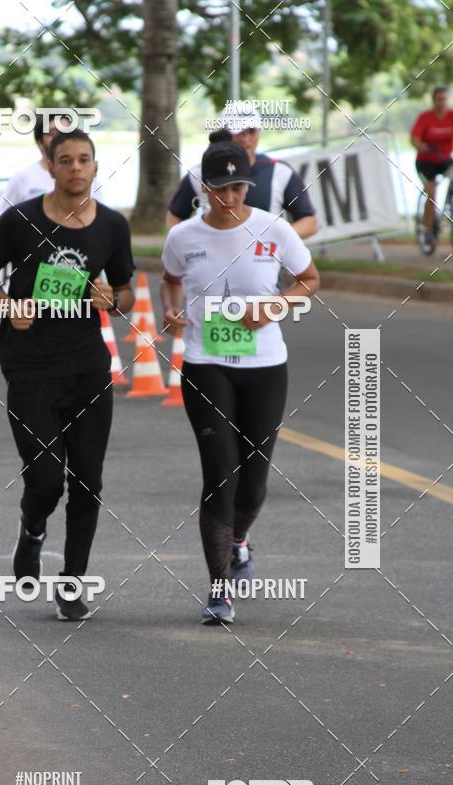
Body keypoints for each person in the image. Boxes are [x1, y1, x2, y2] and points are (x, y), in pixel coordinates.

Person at [0, 129, 135, 621]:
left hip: (88, 367)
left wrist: (113, 299)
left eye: (84, 159)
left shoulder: (111, 226)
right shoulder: (20, 220)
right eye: (65, 160)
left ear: (95, 165)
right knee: (45, 481)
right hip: (30, 366)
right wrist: (6, 304)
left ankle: (72, 584)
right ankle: (32, 529)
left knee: (87, 482)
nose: (76, 168)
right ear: (50, 166)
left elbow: (125, 292)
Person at [160, 140, 319, 625]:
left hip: (266, 365)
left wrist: (275, 305)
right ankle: (219, 589)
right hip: (207, 363)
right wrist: (172, 309)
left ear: (248, 186)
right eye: (220, 188)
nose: (230, 196)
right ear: (204, 189)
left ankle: (240, 538)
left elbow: (309, 280)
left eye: (238, 187)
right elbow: (170, 278)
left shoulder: (274, 230)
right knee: (220, 474)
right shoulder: (183, 236)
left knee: (253, 485)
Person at [166, 113, 318, 239]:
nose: (246, 140)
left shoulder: (280, 172)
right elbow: (175, 215)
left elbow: (310, 222)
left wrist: (273, 240)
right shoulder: (199, 173)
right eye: (239, 132)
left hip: (263, 268)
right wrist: (188, 245)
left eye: (251, 131)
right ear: (223, 133)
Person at [0, 113, 106, 231]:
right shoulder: (23, 178)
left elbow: (100, 221)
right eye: (53, 133)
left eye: (67, 132)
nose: (61, 137)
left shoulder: (85, 177)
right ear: (40, 142)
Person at [411, 86, 453, 249]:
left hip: (444, 161)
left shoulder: (451, 116)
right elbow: (414, 139)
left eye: (444, 99)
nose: (441, 102)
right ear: (434, 100)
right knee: (431, 190)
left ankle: (448, 206)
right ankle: (428, 228)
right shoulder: (425, 118)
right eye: (439, 99)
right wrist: (423, 146)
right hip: (426, 162)